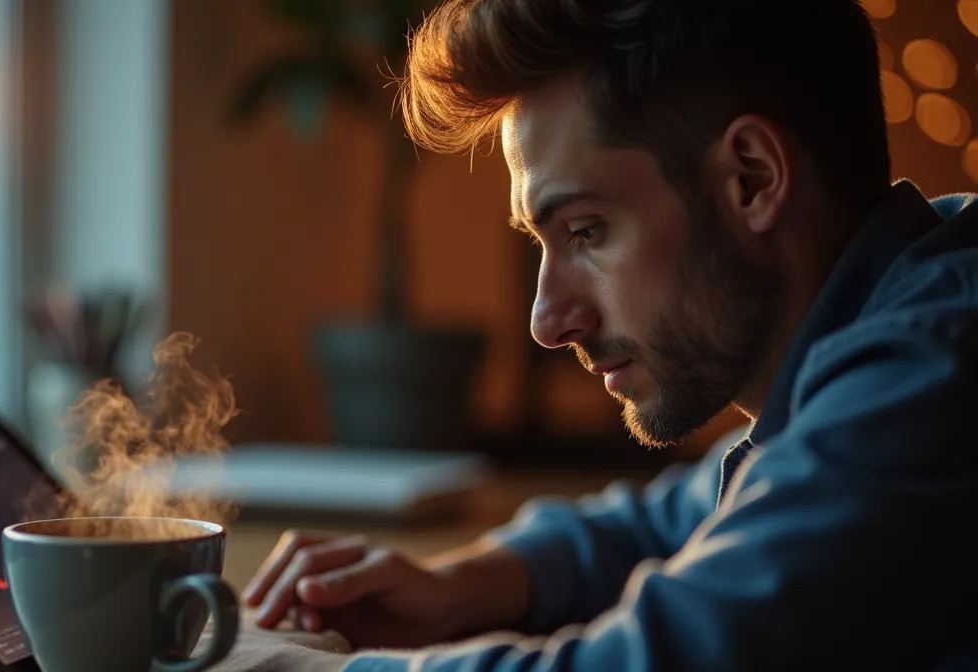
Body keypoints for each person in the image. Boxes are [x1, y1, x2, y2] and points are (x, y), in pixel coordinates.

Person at [216, 0, 978, 670]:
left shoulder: (937, 364)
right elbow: (681, 514)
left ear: (752, 177)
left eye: (587, 231)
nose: (547, 322)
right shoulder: (904, 305)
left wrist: (291, 671)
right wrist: (464, 585)